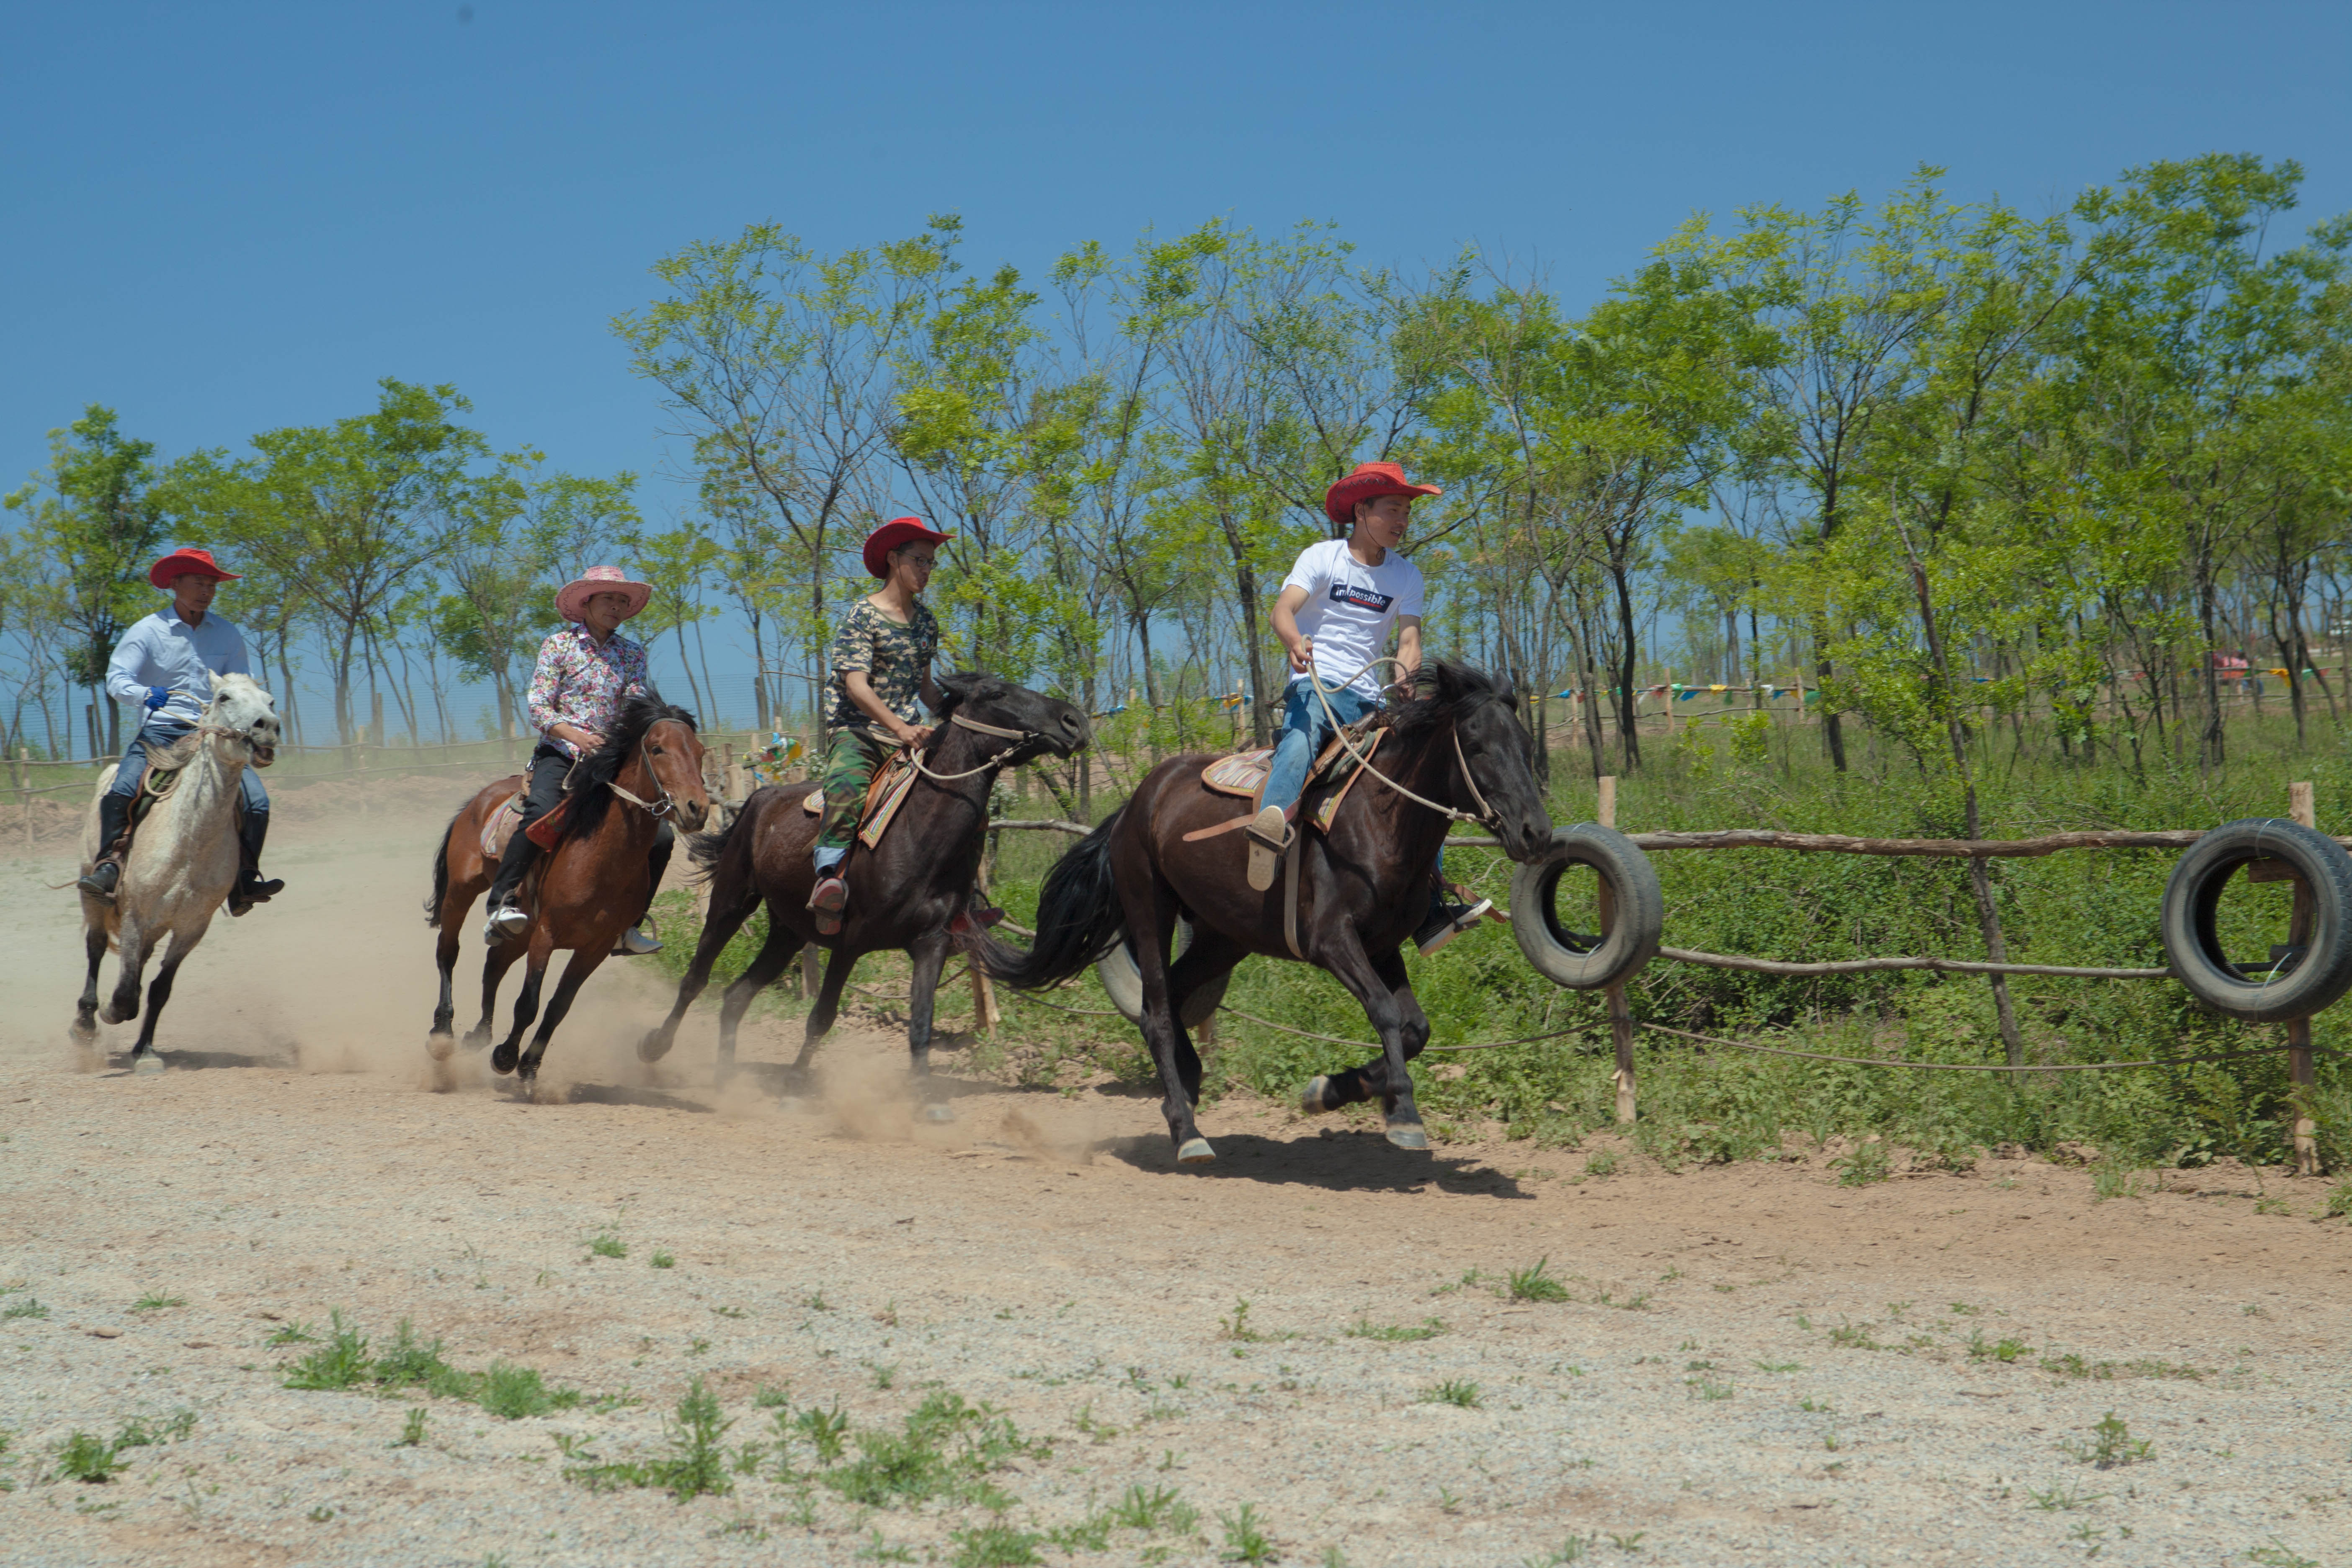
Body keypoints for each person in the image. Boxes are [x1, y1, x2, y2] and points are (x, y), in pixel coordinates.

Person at [1249, 462, 1492, 955]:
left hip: (1369, 699)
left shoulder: (1407, 575)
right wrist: (1295, 642)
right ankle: (1269, 831)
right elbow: (1282, 610)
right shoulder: (1323, 558)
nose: (1403, 521)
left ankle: (1429, 903)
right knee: (1299, 740)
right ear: (1363, 511)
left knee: (1417, 777)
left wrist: (1406, 672)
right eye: (1393, 510)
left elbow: (1409, 638)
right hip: (1317, 683)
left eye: (1407, 512)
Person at [78, 548, 281, 913]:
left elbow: (239, 683)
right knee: (122, 788)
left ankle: (243, 880)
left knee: (257, 803)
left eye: (212, 585)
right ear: (175, 584)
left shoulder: (228, 633)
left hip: (216, 735)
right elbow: (116, 678)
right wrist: (144, 694)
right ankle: (109, 867)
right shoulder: (147, 630)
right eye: (199, 583)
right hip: (162, 731)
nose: (207, 591)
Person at [480, 565, 667, 953]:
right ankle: (502, 902)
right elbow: (538, 705)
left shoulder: (632, 655)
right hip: (561, 752)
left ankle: (627, 926)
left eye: (622, 600)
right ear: (587, 603)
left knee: (662, 834)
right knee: (541, 811)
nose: (616, 607)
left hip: (610, 760)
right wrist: (577, 736)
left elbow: (635, 706)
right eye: (608, 599)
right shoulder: (558, 646)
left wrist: (622, 741)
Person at [809, 517, 948, 932]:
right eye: (919, 560)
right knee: (847, 785)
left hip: (911, 735)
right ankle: (828, 877)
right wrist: (900, 729)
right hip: (860, 731)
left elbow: (926, 689)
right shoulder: (862, 616)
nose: (926, 570)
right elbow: (856, 687)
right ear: (893, 559)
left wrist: (958, 716)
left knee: (954, 796)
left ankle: (958, 896)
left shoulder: (926, 623)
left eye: (931, 563)